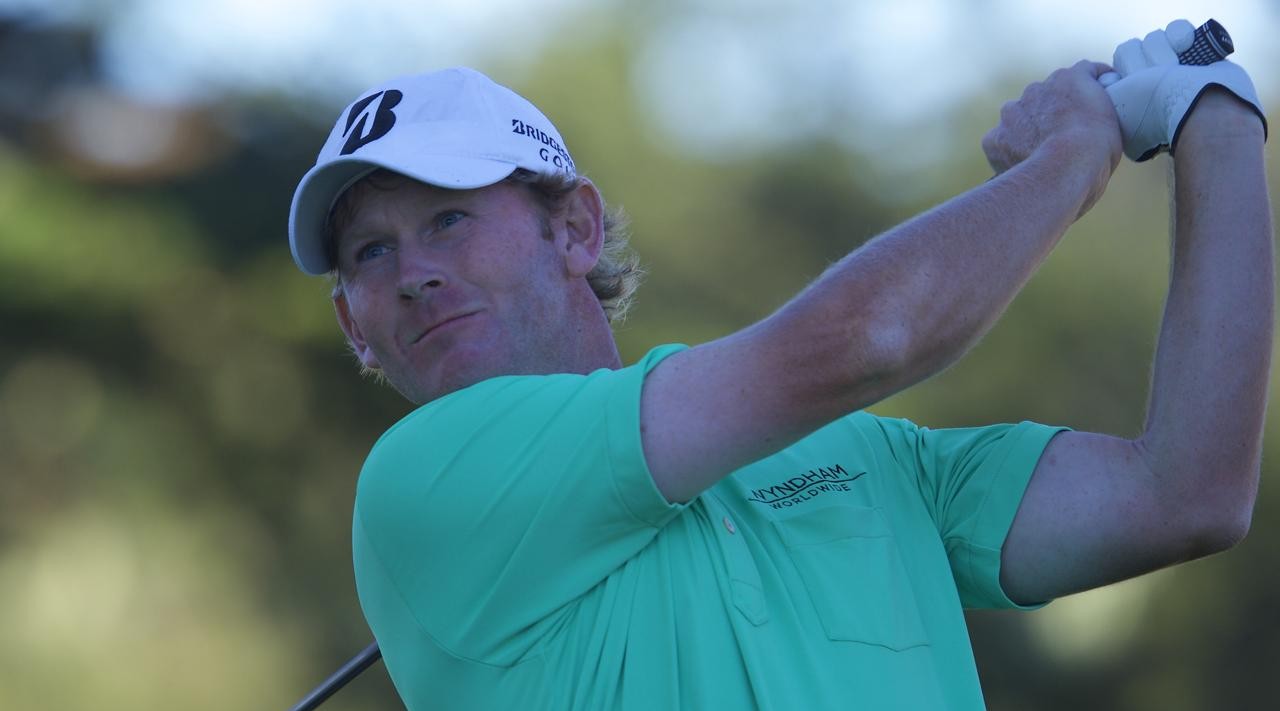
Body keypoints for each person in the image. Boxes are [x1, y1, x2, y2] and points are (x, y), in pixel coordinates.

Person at [287, 20, 1271, 710]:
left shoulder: (864, 454)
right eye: (370, 252)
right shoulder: (418, 486)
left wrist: (1217, 121)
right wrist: (1071, 157)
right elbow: (870, 337)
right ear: (351, 324)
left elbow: (1184, 494)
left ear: (575, 228)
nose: (412, 274)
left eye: (448, 220)